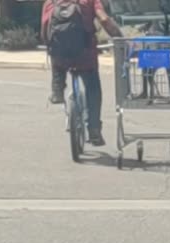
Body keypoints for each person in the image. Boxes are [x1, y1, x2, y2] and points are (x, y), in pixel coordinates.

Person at [41, 0, 123, 146]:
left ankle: (57, 89)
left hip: (60, 58)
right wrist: (120, 39)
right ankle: (94, 130)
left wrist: (50, 47)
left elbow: (45, 27)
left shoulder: (51, 1)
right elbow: (104, 19)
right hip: (85, 55)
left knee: (56, 59)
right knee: (93, 88)